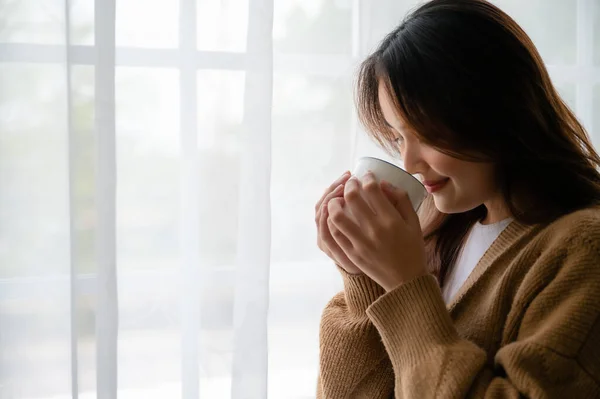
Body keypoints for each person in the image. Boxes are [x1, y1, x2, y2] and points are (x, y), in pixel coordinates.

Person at [314, 0, 600, 397]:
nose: (410, 162)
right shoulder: (438, 230)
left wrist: (406, 285)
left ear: (493, 111)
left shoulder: (583, 249)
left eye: (425, 132)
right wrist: (363, 279)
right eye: (398, 138)